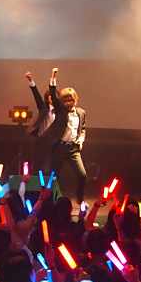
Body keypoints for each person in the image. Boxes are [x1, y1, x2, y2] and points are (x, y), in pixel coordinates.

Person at [37, 67, 87, 204]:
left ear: (75, 100)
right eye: (66, 101)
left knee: (82, 174)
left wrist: (81, 139)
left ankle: (80, 198)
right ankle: (52, 200)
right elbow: (53, 95)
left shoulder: (81, 112)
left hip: (73, 148)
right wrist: (53, 77)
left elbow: (82, 128)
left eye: (71, 100)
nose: (69, 103)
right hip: (58, 147)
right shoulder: (60, 112)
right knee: (54, 176)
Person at [24, 71, 56, 173]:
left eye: (54, 95)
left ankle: (49, 182)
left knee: (51, 167)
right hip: (42, 141)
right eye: (50, 96)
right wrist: (30, 80)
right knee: (37, 165)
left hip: (54, 142)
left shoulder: (60, 111)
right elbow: (36, 95)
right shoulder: (44, 108)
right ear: (47, 98)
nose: (52, 97)